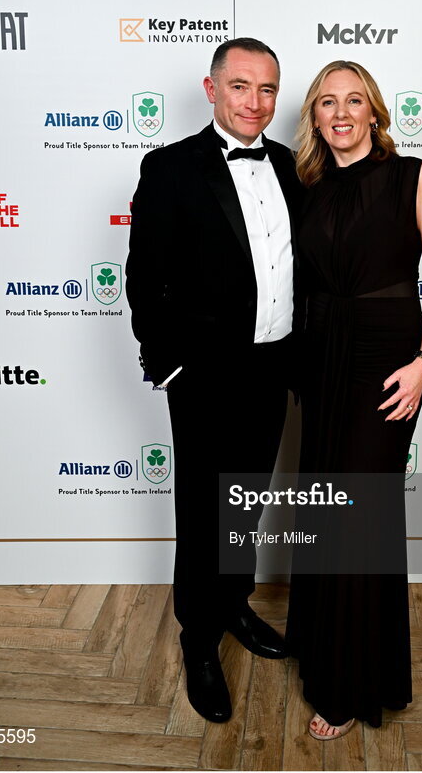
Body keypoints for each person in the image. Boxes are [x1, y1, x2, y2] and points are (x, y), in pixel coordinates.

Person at [125, 37, 303, 724]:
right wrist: (165, 363)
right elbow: (145, 278)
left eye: (266, 90)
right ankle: (197, 641)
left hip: (271, 368)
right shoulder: (170, 168)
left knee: (246, 504)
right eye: (240, 87)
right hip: (201, 376)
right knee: (203, 515)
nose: (255, 103)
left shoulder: (290, 166)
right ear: (210, 88)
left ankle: (234, 607)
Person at [285, 60, 422, 740]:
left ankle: (350, 683)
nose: (341, 112)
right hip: (320, 359)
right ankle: (327, 645)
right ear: (315, 117)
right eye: (327, 102)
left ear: (375, 113)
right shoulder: (307, 187)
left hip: (387, 363)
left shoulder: (412, 176)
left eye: (354, 100)